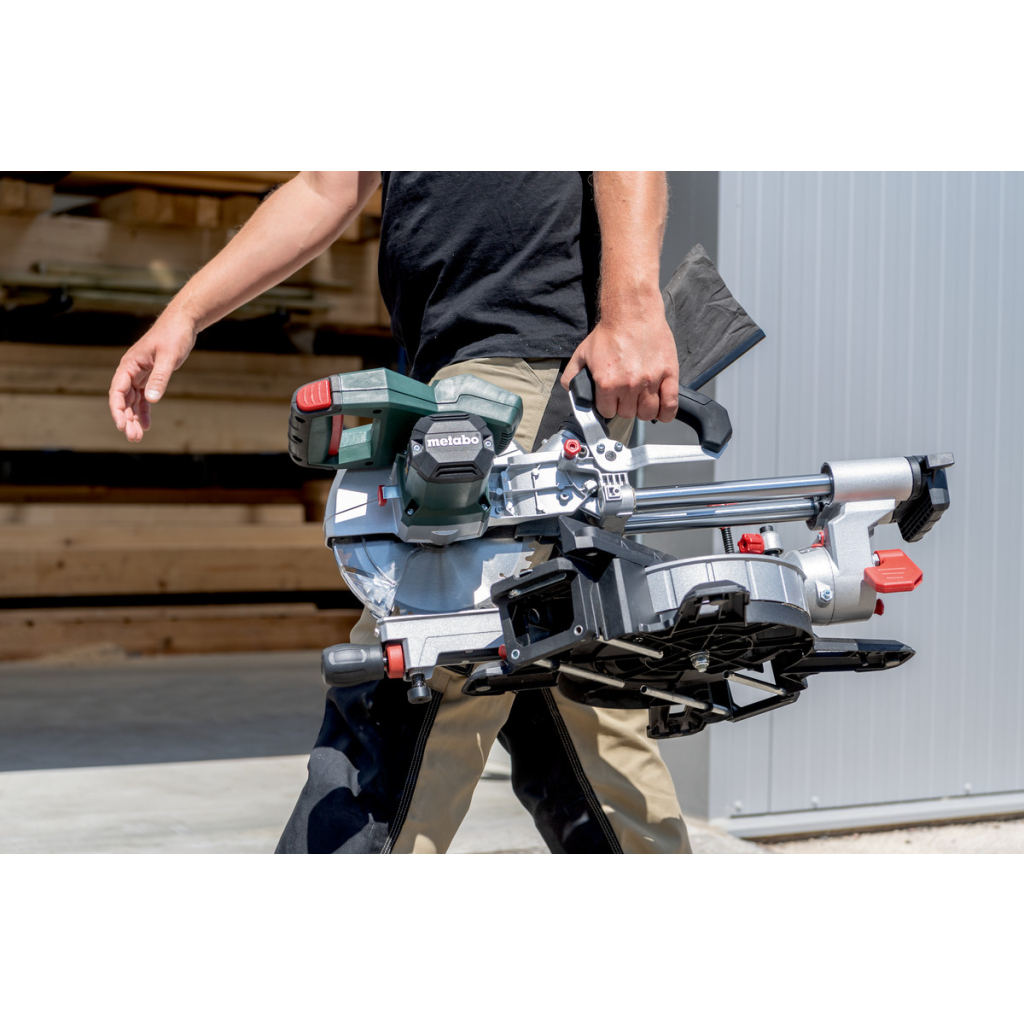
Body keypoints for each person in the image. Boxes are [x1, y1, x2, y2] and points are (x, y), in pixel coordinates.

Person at [109, 171, 691, 854]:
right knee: (560, 685)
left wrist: (633, 307)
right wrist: (185, 313)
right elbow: (327, 185)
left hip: (522, 365)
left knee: (413, 679)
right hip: (466, 369)